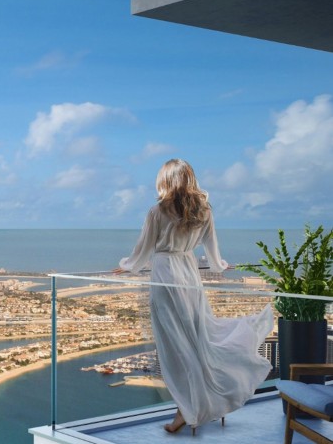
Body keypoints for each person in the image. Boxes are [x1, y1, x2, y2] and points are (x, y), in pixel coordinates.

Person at [113, 159, 273, 435]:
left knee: (175, 347)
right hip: (189, 273)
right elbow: (212, 251)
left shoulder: (157, 211)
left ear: (165, 180)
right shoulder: (204, 211)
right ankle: (204, 403)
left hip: (165, 276)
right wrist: (220, 265)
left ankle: (187, 410)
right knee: (197, 337)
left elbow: (143, 250)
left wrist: (127, 265)